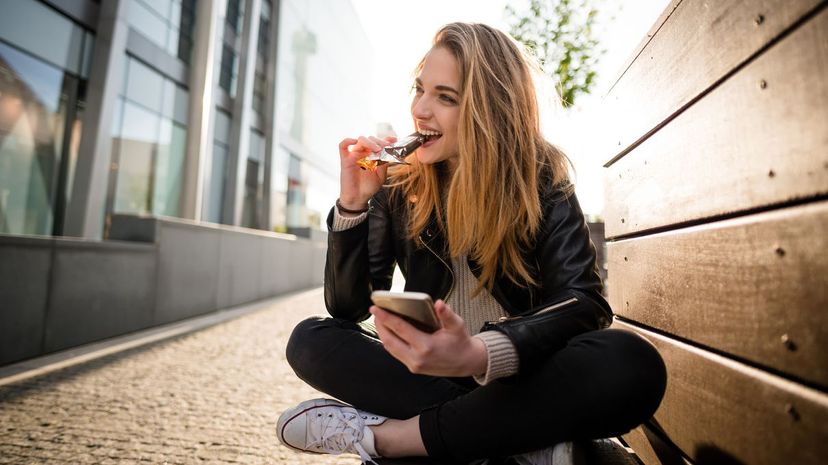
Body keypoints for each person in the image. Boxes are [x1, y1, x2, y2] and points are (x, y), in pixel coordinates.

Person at [277, 22, 667, 464]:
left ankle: (391, 440)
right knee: (311, 339)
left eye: (445, 97)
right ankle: (524, 445)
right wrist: (352, 207)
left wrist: (477, 353)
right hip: (428, 377)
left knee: (631, 362)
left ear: (490, 108)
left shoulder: (542, 179)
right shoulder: (398, 186)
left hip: (517, 376)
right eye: (419, 89)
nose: (421, 109)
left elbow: (584, 303)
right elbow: (348, 309)